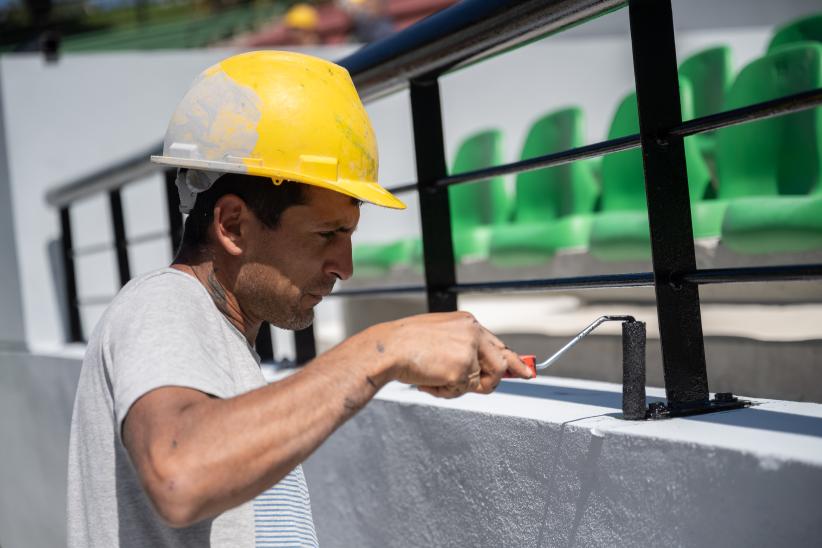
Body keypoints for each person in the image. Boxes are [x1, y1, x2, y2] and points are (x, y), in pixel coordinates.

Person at [66, 50, 533, 547]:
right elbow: (178, 477)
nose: (344, 267)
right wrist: (383, 351)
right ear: (231, 224)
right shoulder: (162, 303)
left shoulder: (217, 340)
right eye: (326, 233)